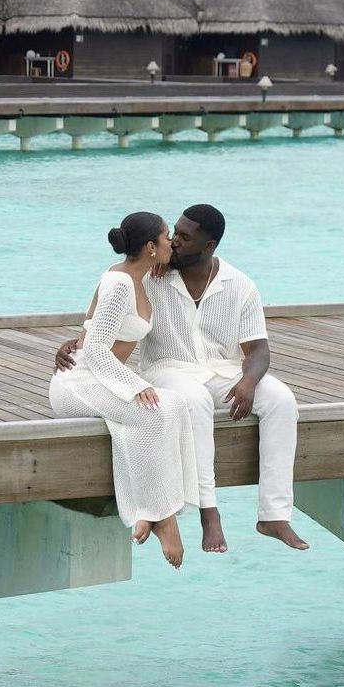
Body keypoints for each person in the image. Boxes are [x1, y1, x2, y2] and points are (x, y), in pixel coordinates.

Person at [56, 204, 309, 552]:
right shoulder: (152, 273)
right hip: (168, 369)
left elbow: (259, 350)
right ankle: (209, 511)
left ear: (209, 246)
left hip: (223, 371)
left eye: (185, 237)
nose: (174, 242)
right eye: (172, 233)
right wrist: (77, 343)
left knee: (282, 399)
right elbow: (106, 312)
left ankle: (275, 515)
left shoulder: (240, 285)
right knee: (193, 401)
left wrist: (248, 382)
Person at [49, 211, 199, 570]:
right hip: (79, 382)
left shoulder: (137, 277)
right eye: (166, 237)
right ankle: (164, 519)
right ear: (150, 246)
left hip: (101, 376)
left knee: (175, 406)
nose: (171, 242)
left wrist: (77, 342)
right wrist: (135, 385)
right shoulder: (118, 284)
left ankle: (151, 508)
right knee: (153, 412)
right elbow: (97, 348)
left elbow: (89, 329)